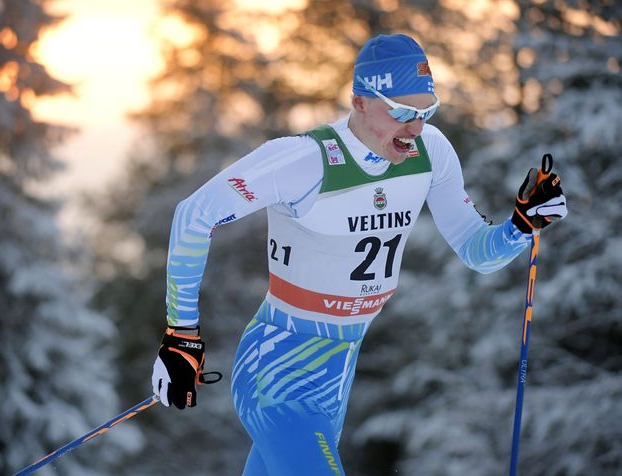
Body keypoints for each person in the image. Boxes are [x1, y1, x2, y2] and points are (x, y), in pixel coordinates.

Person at [151, 34, 567, 475]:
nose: (415, 128)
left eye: (426, 112)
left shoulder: (431, 153)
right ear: (361, 101)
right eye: (402, 112)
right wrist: (181, 336)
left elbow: (476, 252)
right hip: (276, 370)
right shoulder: (305, 160)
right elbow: (194, 215)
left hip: (337, 376)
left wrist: (522, 226)